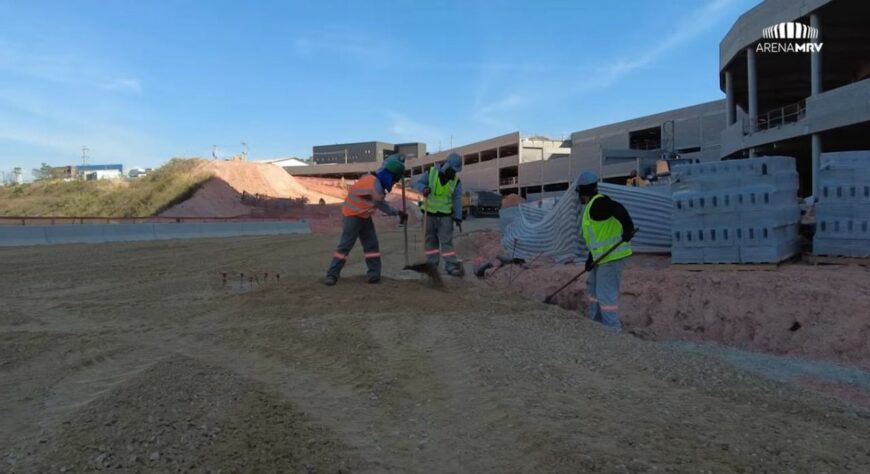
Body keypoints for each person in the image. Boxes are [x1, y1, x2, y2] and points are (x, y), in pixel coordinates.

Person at [324, 154, 408, 286]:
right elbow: (381, 204)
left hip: (364, 215)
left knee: (371, 245)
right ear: (388, 175)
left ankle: (374, 274)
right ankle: (332, 275)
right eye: (394, 179)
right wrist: (397, 212)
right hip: (352, 215)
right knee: (345, 246)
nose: (394, 182)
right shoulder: (374, 185)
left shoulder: (373, 180)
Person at [576, 171, 634, 330]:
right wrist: (590, 259)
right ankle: (596, 326)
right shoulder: (591, 207)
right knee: (594, 290)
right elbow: (597, 239)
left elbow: (618, 208)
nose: (578, 197)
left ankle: (613, 331)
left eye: (579, 193)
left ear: (583, 191)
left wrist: (628, 228)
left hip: (611, 258)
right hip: (601, 258)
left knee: (606, 296)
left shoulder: (598, 204)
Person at [414, 152, 464, 276]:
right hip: (429, 214)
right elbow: (418, 183)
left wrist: (458, 216)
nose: (454, 173)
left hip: (445, 216)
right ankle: (432, 265)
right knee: (430, 242)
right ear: (447, 165)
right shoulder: (431, 173)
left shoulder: (456, 181)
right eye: (453, 170)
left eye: (456, 171)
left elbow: (457, 199)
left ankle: (451, 265)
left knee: (446, 242)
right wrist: (424, 189)